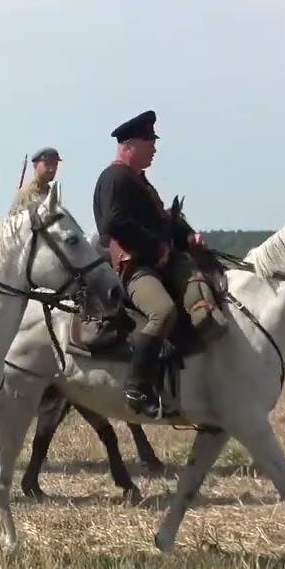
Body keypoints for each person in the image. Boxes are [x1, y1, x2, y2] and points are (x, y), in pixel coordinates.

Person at [93, 110, 206, 418]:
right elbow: (114, 222)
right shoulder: (115, 177)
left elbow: (161, 222)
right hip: (133, 268)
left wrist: (187, 237)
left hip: (153, 263)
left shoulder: (138, 180)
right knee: (163, 311)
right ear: (131, 145)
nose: (154, 149)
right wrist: (155, 247)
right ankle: (136, 386)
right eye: (149, 142)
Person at [10, 147, 61, 214]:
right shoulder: (27, 192)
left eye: (55, 164)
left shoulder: (51, 193)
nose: (52, 169)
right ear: (35, 165)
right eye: (47, 164)